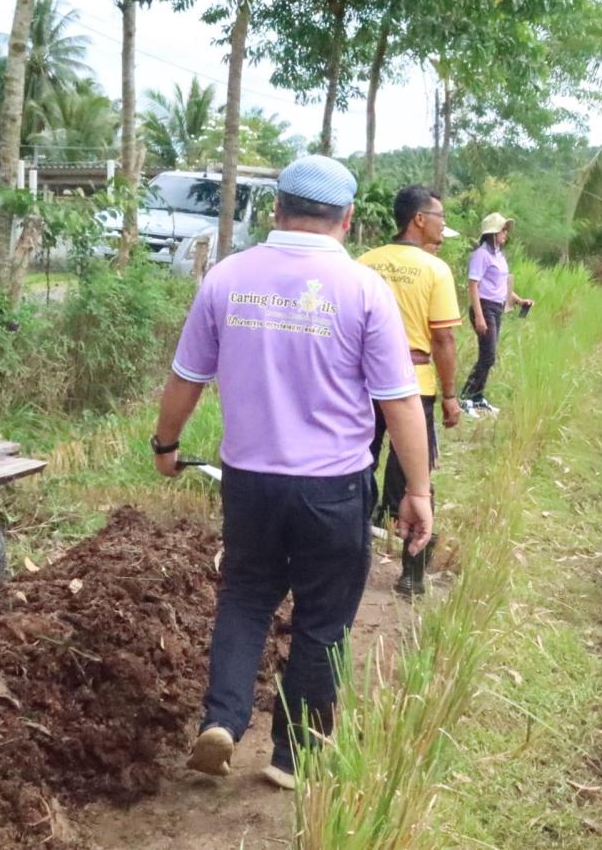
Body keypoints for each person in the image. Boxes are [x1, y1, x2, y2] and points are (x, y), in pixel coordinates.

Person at [151, 155, 434, 792]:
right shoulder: (365, 290)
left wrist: (165, 444)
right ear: (349, 218)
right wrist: (417, 490)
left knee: (246, 597)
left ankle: (221, 720)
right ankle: (289, 755)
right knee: (322, 619)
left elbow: (186, 378)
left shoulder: (228, 278)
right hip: (333, 487)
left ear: (276, 208)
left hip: (249, 481)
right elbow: (400, 402)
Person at [359, 185, 461, 598]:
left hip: (361, 385)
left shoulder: (364, 263)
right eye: (439, 217)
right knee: (413, 477)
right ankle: (412, 574)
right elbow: (444, 341)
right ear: (418, 219)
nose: (442, 225)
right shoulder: (435, 270)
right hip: (412, 387)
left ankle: (350, 558)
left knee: (355, 468)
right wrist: (451, 395)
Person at [462, 213, 533, 415]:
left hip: (496, 307)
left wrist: (520, 301)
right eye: (503, 230)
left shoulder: (499, 256)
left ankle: (477, 397)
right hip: (483, 307)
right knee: (488, 355)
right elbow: (473, 286)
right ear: (493, 233)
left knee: (489, 355)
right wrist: (479, 316)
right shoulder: (481, 255)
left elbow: (503, 286)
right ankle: (467, 397)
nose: (506, 233)